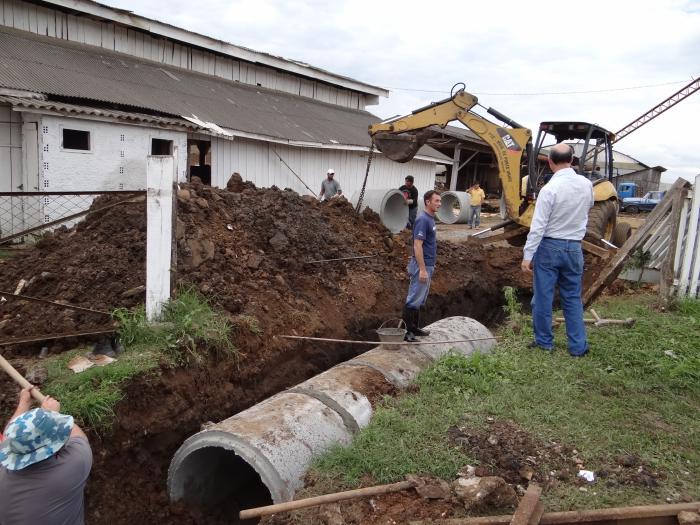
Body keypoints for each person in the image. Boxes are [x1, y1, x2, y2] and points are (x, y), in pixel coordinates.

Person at [521, 143, 593, 357]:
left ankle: (544, 342)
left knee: (544, 297)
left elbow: (538, 225)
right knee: (572, 297)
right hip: (574, 248)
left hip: (550, 247)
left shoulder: (549, 189)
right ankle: (578, 346)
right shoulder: (586, 185)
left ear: (550, 162)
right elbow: (588, 207)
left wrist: (528, 255)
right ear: (571, 160)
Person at [0, 386, 93, 524]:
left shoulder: (3, 469)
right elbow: (78, 437)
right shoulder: (74, 464)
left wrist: (24, 403)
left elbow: (9, 438)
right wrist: (50, 414)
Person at [403, 190, 441, 342]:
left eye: (440, 201)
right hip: (421, 266)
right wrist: (423, 269)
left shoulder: (431, 219)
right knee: (413, 299)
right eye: (436, 201)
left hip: (428, 265)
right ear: (427, 202)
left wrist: (430, 266)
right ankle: (407, 333)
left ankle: (414, 329)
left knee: (419, 299)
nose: (439, 204)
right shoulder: (423, 220)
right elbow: (417, 246)